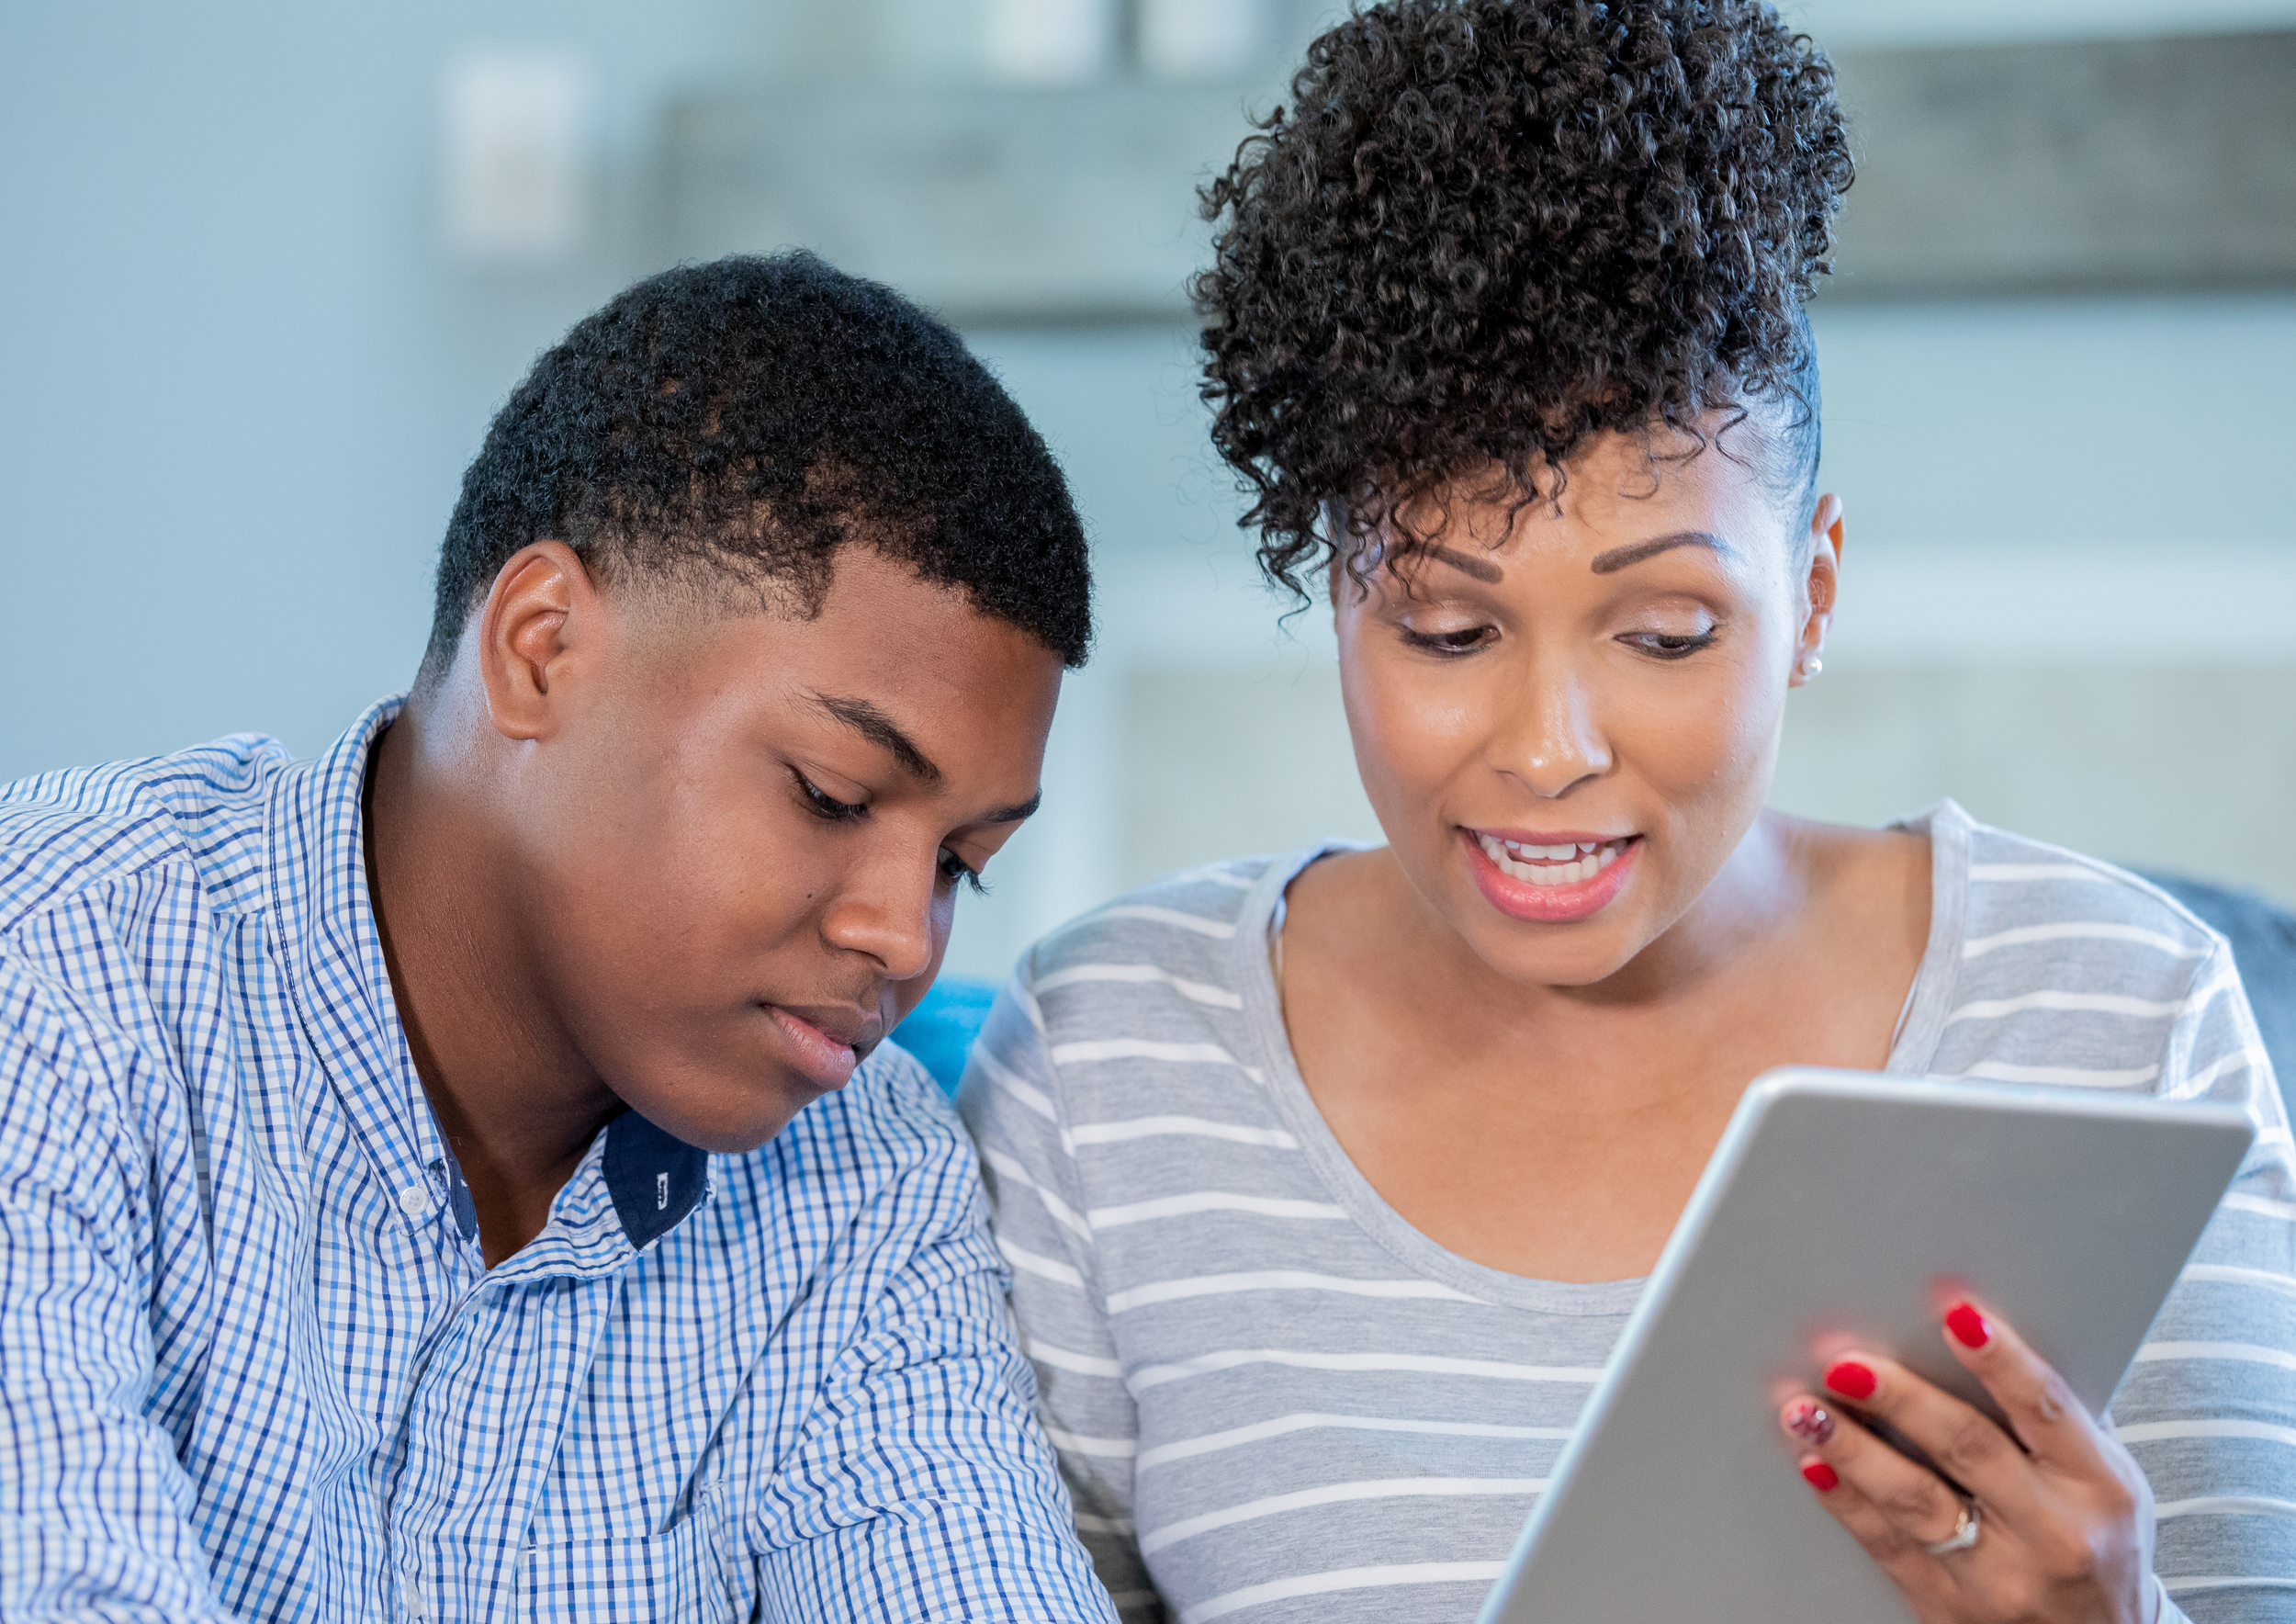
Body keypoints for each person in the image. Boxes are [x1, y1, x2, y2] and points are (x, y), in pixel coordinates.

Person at [957, 5, 2296, 1622]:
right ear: (1334, 596)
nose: (1549, 750)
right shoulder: (1113, 1068)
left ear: (1809, 599)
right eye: (1447, 632)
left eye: (1665, 635)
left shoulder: (2121, 1015)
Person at [0, 254, 1119, 1621]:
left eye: (961, 864)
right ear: (539, 650)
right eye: (832, 794)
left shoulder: (866, 1181)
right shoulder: (58, 976)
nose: (901, 936)